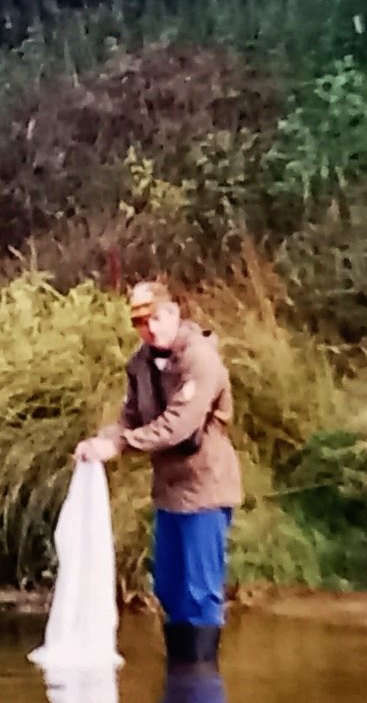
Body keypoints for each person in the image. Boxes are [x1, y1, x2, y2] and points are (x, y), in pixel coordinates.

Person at [72, 279, 241, 668]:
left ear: (174, 314)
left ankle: (200, 683)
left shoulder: (201, 360)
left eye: (155, 319)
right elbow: (129, 417)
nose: (148, 329)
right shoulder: (140, 364)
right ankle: (180, 680)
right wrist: (100, 442)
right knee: (167, 587)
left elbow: (178, 425)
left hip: (205, 491)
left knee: (199, 595)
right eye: (140, 323)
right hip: (168, 493)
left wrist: (121, 445)